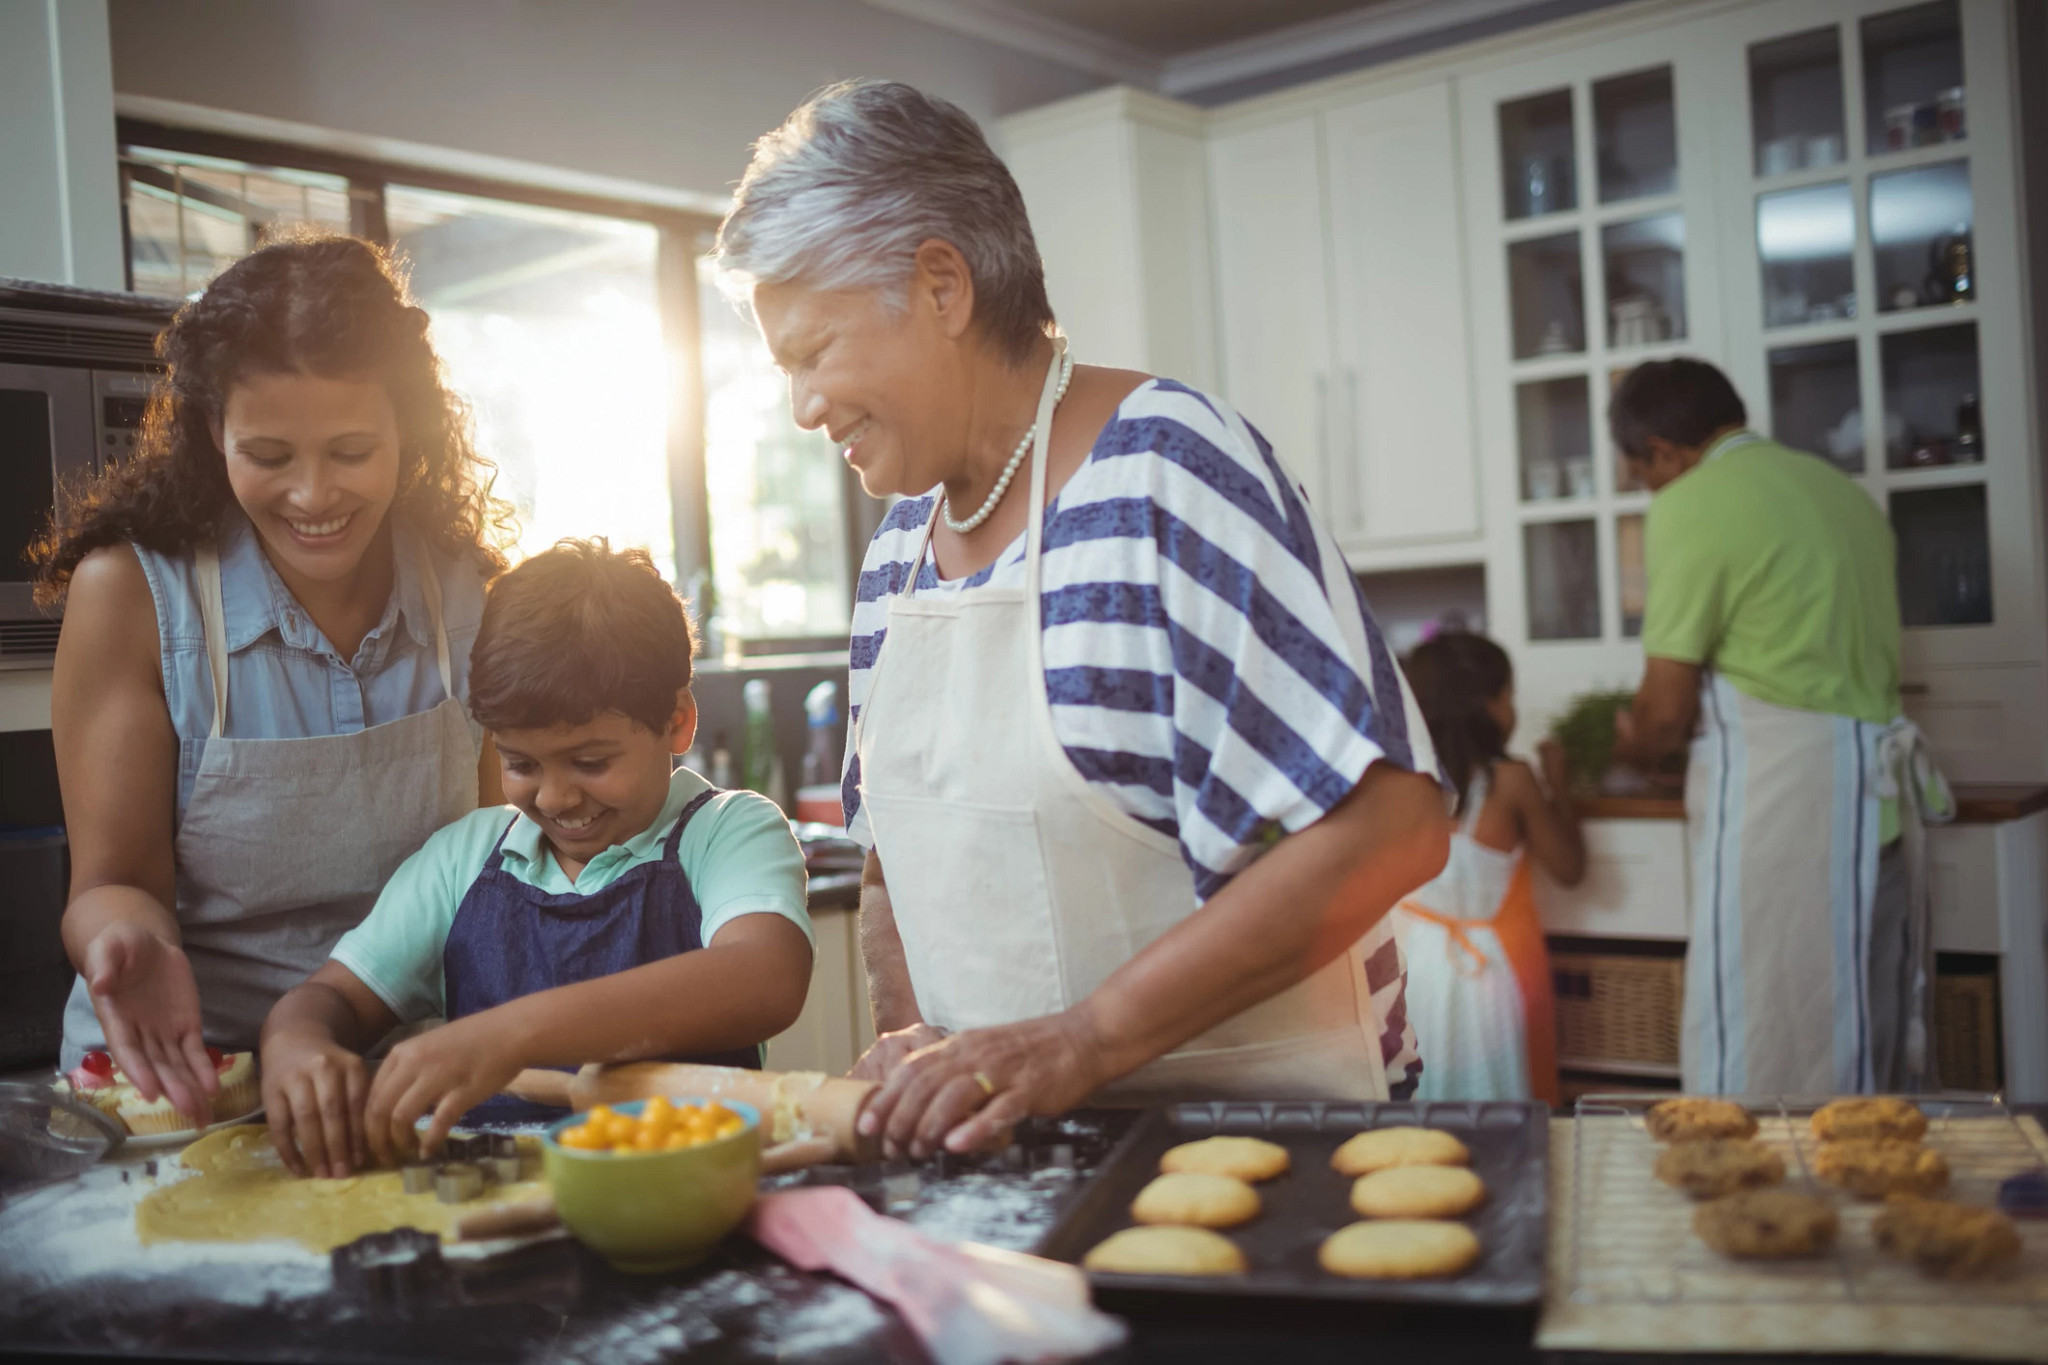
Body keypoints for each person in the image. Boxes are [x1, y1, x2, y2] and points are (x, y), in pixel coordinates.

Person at [714, 80, 1450, 1160]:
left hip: (1271, 1157)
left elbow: (1387, 827)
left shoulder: (1166, 471)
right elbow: (895, 867)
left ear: (938, 286)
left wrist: (1079, 1042)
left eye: (812, 351)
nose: (802, 406)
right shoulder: (896, 550)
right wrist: (920, 1047)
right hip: (1018, 1172)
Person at [32, 235, 515, 1129]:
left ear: (406, 429)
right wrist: (121, 935)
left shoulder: (469, 599)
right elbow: (112, 880)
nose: (312, 494)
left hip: (403, 1086)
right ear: (212, 432)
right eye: (269, 453)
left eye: (350, 449)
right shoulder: (135, 596)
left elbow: (503, 875)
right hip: (184, 1083)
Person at [258, 541, 813, 1175]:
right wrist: (295, 1045)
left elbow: (764, 978)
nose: (554, 797)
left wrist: (511, 1033)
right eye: (520, 763)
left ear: (678, 722)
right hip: (490, 1222)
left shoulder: (725, 833)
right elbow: (331, 998)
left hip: (687, 1203)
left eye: (591, 762)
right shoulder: (465, 859)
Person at [1608, 358, 1951, 1096]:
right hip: (1879, 805)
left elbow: (1664, 710)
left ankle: (1766, 1206)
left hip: (1784, 804)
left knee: (1766, 1028)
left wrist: (1635, 742)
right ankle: (1868, 1200)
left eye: (1642, 474)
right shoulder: (1843, 493)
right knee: (1867, 1026)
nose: (1649, 490)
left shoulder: (1694, 501)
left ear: (1665, 450)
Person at [1394, 631, 1581, 1103]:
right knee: (1499, 1100)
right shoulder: (1513, 780)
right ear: (1490, 704)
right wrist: (1561, 787)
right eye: (1509, 694)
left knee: (1425, 1100)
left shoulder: (1402, 781)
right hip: (1491, 978)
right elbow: (1569, 868)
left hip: (1416, 973)